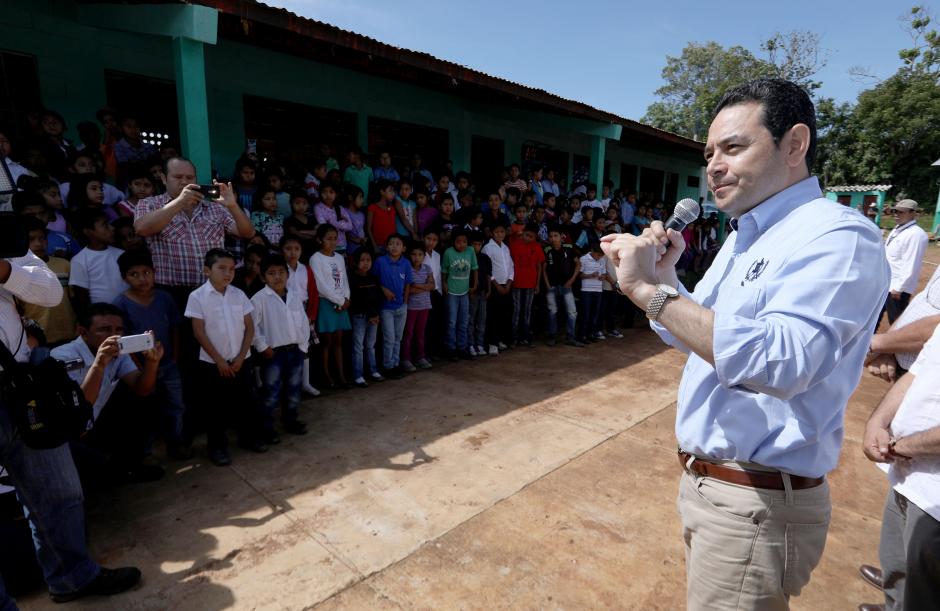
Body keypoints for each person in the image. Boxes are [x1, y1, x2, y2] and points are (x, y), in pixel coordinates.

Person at [602, 78, 889, 609]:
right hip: (713, 488)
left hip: (756, 499)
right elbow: (691, 336)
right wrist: (664, 284)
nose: (713, 165)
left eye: (733, 147)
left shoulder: (837, 235)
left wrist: (647, 292)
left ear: (794, 145)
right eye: (709, 152)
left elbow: (784, 363)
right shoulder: (743, 236)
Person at [0, 221, 142, 606]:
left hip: (21, 388)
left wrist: (5, 270)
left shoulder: (3, 240)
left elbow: (48, 291)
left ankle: (72, 576)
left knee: (59, 492)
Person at [861, 325, 940, 611]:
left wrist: (898, 447)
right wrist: (876, 423)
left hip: (934, 503)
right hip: (907, 479)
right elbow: (917, 374)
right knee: (897, 571)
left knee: (925, 595)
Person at [51, 304, 163, 485]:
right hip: (68, 433)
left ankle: (128, 464)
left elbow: (142, 388)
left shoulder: (118, 352)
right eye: (104, 329)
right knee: (95, 472)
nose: (114, 335)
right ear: (83, 332)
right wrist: (99, 364)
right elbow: (79, 408)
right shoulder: (62, 356)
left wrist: (152, 363)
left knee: (146, 402)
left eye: (118, 329)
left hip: (94, 423)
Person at [134, 157, 255, 312]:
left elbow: (247, 233)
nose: (184, 182)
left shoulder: (215, 208)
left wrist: (232, 205)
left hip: (211, 291)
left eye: (189, 178)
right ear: (164, 179)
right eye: (178, 177)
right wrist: (179, 203)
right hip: (171, 294)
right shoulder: (149, 204)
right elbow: (142, 229)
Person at [184, 248, 267, 466]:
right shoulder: (197, 297)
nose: (227, 273)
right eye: (221, 268)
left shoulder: (238, 294)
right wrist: (219, 360)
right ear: (206, 270)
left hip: (241, 359)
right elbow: (198, 332)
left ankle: (248, 438)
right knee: (215, 407)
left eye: (231, 269)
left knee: (246, 401)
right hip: (213, 363)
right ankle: (217, 447)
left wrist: (241, 356)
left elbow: (249, 327)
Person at [112, 250, 191, 460]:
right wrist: (140, 368)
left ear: (154, 273)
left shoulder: (164, 298)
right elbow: (124, 342)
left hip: (168, 364)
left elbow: (175, 326)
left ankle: (176, 444)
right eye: (134, 274)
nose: (142, 278)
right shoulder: (120, 305)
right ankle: (145, 453)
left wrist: (174, 356)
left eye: (146, 272)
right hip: (141, 369)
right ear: (124, 278)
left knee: (175, 405)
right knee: (145, 411)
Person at [251, 254, 310, 440]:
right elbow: (252, 328)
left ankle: (290, 420)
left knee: (293, 388)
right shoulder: (258, 299)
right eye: (271, 273)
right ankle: (266, 428)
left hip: (295, 350)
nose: (277, 277)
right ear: (263, 277)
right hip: (273, 354)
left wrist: (303, 345)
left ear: (288, 274)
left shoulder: (294, 295)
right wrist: (263, 347)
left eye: (281, 272)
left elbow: (302, 320)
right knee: (271, 391)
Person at [21, 217, 77, 345]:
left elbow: (74, 299)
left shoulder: (64, 265)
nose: (38, 243)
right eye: (31, 239)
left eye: (42, 238)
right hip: (39, 339)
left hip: (70, 334)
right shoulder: (16, 271)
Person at [310, 224, 351, 389]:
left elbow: (344, 280)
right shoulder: (316, 258)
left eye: (335, 238)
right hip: (327, 303)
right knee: (327, 342)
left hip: (342, 302)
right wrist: (340, 301)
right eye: (329, 239)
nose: (333, 242)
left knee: (339, 341)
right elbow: (320, 285)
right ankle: (326, 377)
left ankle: (341, 375)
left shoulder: (339, 257)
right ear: (320, 240)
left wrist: (346, 298)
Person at [281, 235, 321, 397]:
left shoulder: (306, 269)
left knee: (304, 347)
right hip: (285, 311)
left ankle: (305, 383)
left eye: (296, 249)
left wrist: (311, 314)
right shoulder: (281, 269)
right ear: (281, 250)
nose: (292, 252)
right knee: (285, 348)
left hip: (304, 312)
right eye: (288, 249)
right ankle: (289, 385)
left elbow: (313, 293)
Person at [69, 209, 127, 310]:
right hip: (102, 315)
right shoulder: (79, 260)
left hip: (127, 312)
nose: (112, 228)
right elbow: (82, 297)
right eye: (105, 225)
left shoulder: (121, 254)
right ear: (88, 232)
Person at [883, 199, 928, 325]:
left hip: (897, 289)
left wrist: (899, 288)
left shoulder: (916, 234)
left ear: (913, 213)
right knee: (875, 317)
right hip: (886, 283)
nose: (896, 214)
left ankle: (897, 344)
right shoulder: (898, 229)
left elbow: (911, 264)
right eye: (894, 211)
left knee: (897, 321)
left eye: (901, 212)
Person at [372, 234, 411, 377]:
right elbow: (373, 279)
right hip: (386, 307)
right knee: (389, 338)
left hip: (401, 306)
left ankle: (395, 363)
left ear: (404, 248)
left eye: (398, 244)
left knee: (398, 338)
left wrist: (405, 301)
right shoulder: (380, 262)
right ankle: (387, 366)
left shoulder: (406, 263)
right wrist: (383, 289)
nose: (394, 246)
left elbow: (408, 283)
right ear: (386, 247)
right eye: (391, 244)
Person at [348, 249, 384, 388]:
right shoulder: (352, 279)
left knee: (371, 345)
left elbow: (377, 297)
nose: (365, 263)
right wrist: (370, 314)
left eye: (368, 260)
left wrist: (375, 314)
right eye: (362, 260)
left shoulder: (374, 277)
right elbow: (357, 300)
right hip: (360, 316)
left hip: (374, 317)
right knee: (358, 346)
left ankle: (373, 370)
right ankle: (358, 375)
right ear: (356, 262)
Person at [441, 230, 478, 360]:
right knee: (451, 321)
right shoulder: (448, 253)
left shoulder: (470, 251)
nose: (461, 244)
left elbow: (474, 268)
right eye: (458, 242)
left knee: (464, 321)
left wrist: (475, 284)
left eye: (464, 242)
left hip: (465, 291)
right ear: (453, 242)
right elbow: (444, 270)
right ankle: (451, 348)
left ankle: (462, 347)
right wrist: (444, 284)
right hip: (451, 292)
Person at [542, 227, 582, 347]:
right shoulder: (547, 250)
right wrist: (548, 284)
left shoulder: (569, 248)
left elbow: (578, 264)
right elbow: (543, 269)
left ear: (561, 236)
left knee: (572, 312)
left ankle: (570, 337)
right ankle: (552, 336)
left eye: (555, 235)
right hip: (552, 286)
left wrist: (572, 279)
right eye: (551, 236)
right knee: (552, 311)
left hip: (566, 285)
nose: (553, 238)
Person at [400, 241, 435, 372]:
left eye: (420, 254)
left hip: (425, 306)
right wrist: (423, 287)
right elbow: (408, 290)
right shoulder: (407, 268)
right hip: (411, 307)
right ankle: (406, 359)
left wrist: (417, 286)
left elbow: (432, 286)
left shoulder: (427, 268)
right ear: (409, 255)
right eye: (414, 254)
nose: (417, 257)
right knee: (408, 333)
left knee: (420, 332)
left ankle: (420, 357)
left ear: (424, 255)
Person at [509, 223, 544, 346]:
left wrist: (538, 284)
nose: (527, 238)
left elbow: (539, 267)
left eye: (531, 237)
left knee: (527, 310)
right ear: (522, 233)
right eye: (526, 235)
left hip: (530, 283)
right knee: (516, 310)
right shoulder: (514, 245)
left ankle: (525, 336)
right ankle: (514, 337)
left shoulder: (537, 247)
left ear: (535, 237)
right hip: (516, 282)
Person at [482, 223, 513, 355]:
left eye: (502, 231)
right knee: (492, 315)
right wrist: (497, 285)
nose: (500, 234)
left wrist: (509, 283)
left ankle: (500, 339)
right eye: (497, 232)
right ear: (491, 233)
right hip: (495, 286)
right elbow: (487, 270)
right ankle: (492, 343)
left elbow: (511, 267)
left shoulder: (506, 248)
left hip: (506, 286)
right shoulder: (487, 248)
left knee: (504, 314)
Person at [578, 244, 608, 342]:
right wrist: (591, 275)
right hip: (586, 290)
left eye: (600, 255)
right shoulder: (583, 259)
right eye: (597, 255)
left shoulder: (602, 260)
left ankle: (591, 334)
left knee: (595, 314)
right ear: (592, 251)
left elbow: (604, 274)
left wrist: (602, 277)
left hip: (598, 290)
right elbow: (580, 275)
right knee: (585, 314)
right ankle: (582, 335)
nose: (599, 257)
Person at [468, 233, 491, 357]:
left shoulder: (485, 258)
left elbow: (488, 275)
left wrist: (489, 289)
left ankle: (480, 344)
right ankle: (471, 345)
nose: (477, 247)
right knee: (471, 319)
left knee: (481, 320)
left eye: (479, 244)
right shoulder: (467, 256)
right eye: (474, 244)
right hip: (472, 293)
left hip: (483, 292)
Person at [366, 180, 399, 255]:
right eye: (390, 191)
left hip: (392, 246)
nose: (393, 193)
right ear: (382, 192)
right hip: (379, 246)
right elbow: (369, 228)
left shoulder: (393, 208)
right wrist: (374, 246)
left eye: (393, 191)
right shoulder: (373, 207)